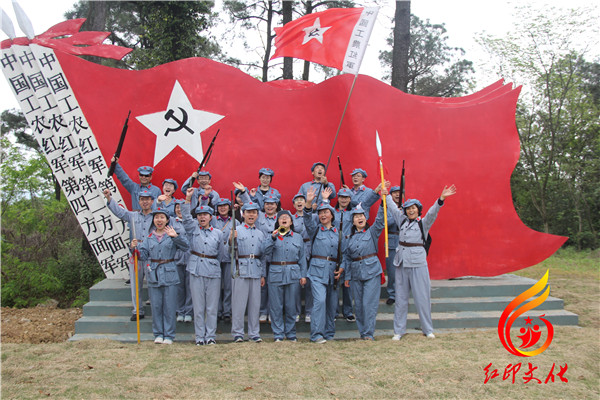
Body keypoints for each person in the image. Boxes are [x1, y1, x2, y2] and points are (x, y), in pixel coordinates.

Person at [386, 185, 457, 340]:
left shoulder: (423, 224)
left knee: (422, 297)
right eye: (408, 209)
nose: (411, 211)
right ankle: (398, 331)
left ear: (418, 209)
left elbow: (433, 213)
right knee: (401, 299)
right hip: (402, 263)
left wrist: (441, 199)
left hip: (418, 264)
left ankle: (427, 329)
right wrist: (386, 195)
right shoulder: (402, 221)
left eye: (413, 208)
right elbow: (392, 208)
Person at [135, 208, 189, 344]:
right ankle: (158, 333)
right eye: (156, 217)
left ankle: (169, 335)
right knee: (156, 306)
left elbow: (186, 247)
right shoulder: (149, 237)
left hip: (170, 271)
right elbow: (143, 255)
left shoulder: (172, 234)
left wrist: (175, 237)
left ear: (167, 220)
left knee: (170, 306)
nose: (159, 220)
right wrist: (134, 248)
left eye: (162, 217)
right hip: (154, 273)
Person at [343, 185, 388, 340]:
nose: (360, 218)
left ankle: (368, 334)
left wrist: (382, 202)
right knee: (360, 306)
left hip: (371, 271)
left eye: (362, 215)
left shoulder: (372, 232)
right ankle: (363, 333)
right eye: (356, 216)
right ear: (353, 221)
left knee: (369, 304)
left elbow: (380, 220)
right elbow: (347, 258)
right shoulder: (349, 238)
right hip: (356, 273)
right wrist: (347, 276)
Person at [104, 188, 155, 321]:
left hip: (152, 255)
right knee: (135, 284)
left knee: (153, 284)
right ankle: (137, 310)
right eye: (142, 199)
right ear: (139, 201)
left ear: (152, 201)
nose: (145, 202)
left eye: (147, 199)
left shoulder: (157, 217)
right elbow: (119, 212)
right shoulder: (133, 216)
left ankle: (156, 309)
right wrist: (109, 198)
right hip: (136, 254)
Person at [182, 188, 224, 345]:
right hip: (196, 269)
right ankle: (200, 337)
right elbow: (186, 218)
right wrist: (187, 199)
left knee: (212, 307)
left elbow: (220, 254)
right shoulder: (193, 229)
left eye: (205, 215)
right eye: (199, 215)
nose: (202, 217)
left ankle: (210, 336)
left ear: (211, 217)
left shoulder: (218, 233)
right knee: (198, 307)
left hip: (213, 270)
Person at [303, 188, 345, 343]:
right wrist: (308, 202)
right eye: (320, 213)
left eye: (326, 212)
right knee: (320, 301)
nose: (323, 215)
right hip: (316, 271)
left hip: (332, 272)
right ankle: (316, 334)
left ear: (332, 215)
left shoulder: (338, 233)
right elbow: (307, 218)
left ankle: (329, 333)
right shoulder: (315, 230)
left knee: (331, 304)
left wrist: (342, 268)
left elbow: (345, 252)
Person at [233, 182, 279, 323]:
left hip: (277, 255)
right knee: (262, 287)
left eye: (272, 204)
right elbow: (250, 206)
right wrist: (244, 191)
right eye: (267, 204)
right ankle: (263, 311)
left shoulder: (282, 217)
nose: (269, 206)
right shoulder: (260, 218)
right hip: (260, 255)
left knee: (275, 286)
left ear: (277, 205)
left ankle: (272, 311)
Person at [264, 210, 307, 341]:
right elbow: (264, 251)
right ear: (277, 222)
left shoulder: (298, 237)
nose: (284, 219)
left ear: (291, 222)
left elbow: (302, 257)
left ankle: (291, 333)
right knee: (276, 306)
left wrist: (303, 275)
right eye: (281, 218)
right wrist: (272, 238)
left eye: (286, 217)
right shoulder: (272, 236)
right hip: (275, 272)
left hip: (293, 273)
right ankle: (278, 334)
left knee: (291, 305)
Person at [230, 201, 267, 342]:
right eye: (248, 212)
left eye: (254, 212)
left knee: (255, 304)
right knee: (239, 304)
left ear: (257, 215)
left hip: (256, 270)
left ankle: (254, 333)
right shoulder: (236, 230)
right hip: (241, 269)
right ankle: (238, 333)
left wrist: (263, 274)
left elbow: (263, 256)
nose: (251, 215)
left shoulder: (260, 233)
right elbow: (229, 252)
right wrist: (230, 239)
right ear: (243, 214)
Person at [209, 197, 236, 322]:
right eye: (220, 206)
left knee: (229, 286)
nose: (222, 208)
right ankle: (217, 310)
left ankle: (227, 311)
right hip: (215, 256)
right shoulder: (213, 220)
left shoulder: (235, 221)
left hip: (229, 256)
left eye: (225, 206)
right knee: (216, 286)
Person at [291, 193, 312, 323]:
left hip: (310, 249)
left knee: (309, 283)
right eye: (296, 201)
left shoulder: (312, 216)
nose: (299, 202)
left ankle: (309, 311)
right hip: (296, 249)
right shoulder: (290, 218)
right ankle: (296, 311)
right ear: (293, 204)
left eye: (302, 200)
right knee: (296, 284)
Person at [172, 200, 193, 323]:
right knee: (179, 287)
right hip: (177, 258)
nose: (179, 210)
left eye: (181, 207)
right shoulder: (172, 222)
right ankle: (180, 311)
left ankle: (189, 312)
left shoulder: (192, 223)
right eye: (177, 208)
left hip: (191, 258)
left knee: (190, 287)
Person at [384, 186, 402, 306]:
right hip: (391, 240)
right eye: (394, 193)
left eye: (399, 193)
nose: (397, 195)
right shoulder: (387, 208)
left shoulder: (407, 208)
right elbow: (387, 223)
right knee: (391, 270)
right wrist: (397, 214)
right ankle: (392, 294)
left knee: (404, 270)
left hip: (403, 240)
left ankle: (402, 294)